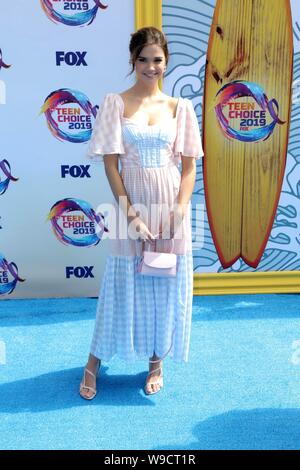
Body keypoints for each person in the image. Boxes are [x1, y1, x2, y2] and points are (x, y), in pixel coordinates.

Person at [79, 26, 203, 399]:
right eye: (144, 59)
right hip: (128, 205)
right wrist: (130, 215)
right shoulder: (115, 103)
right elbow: (111, 166)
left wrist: (180, 210)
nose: (151, 67)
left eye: (158, 60)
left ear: (166, 62)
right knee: (119, 285)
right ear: (133, 60)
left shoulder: (180, 108)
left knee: (163, 283)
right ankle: (93, 363)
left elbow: (189, 166)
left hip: (169, 209)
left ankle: (156, 361)